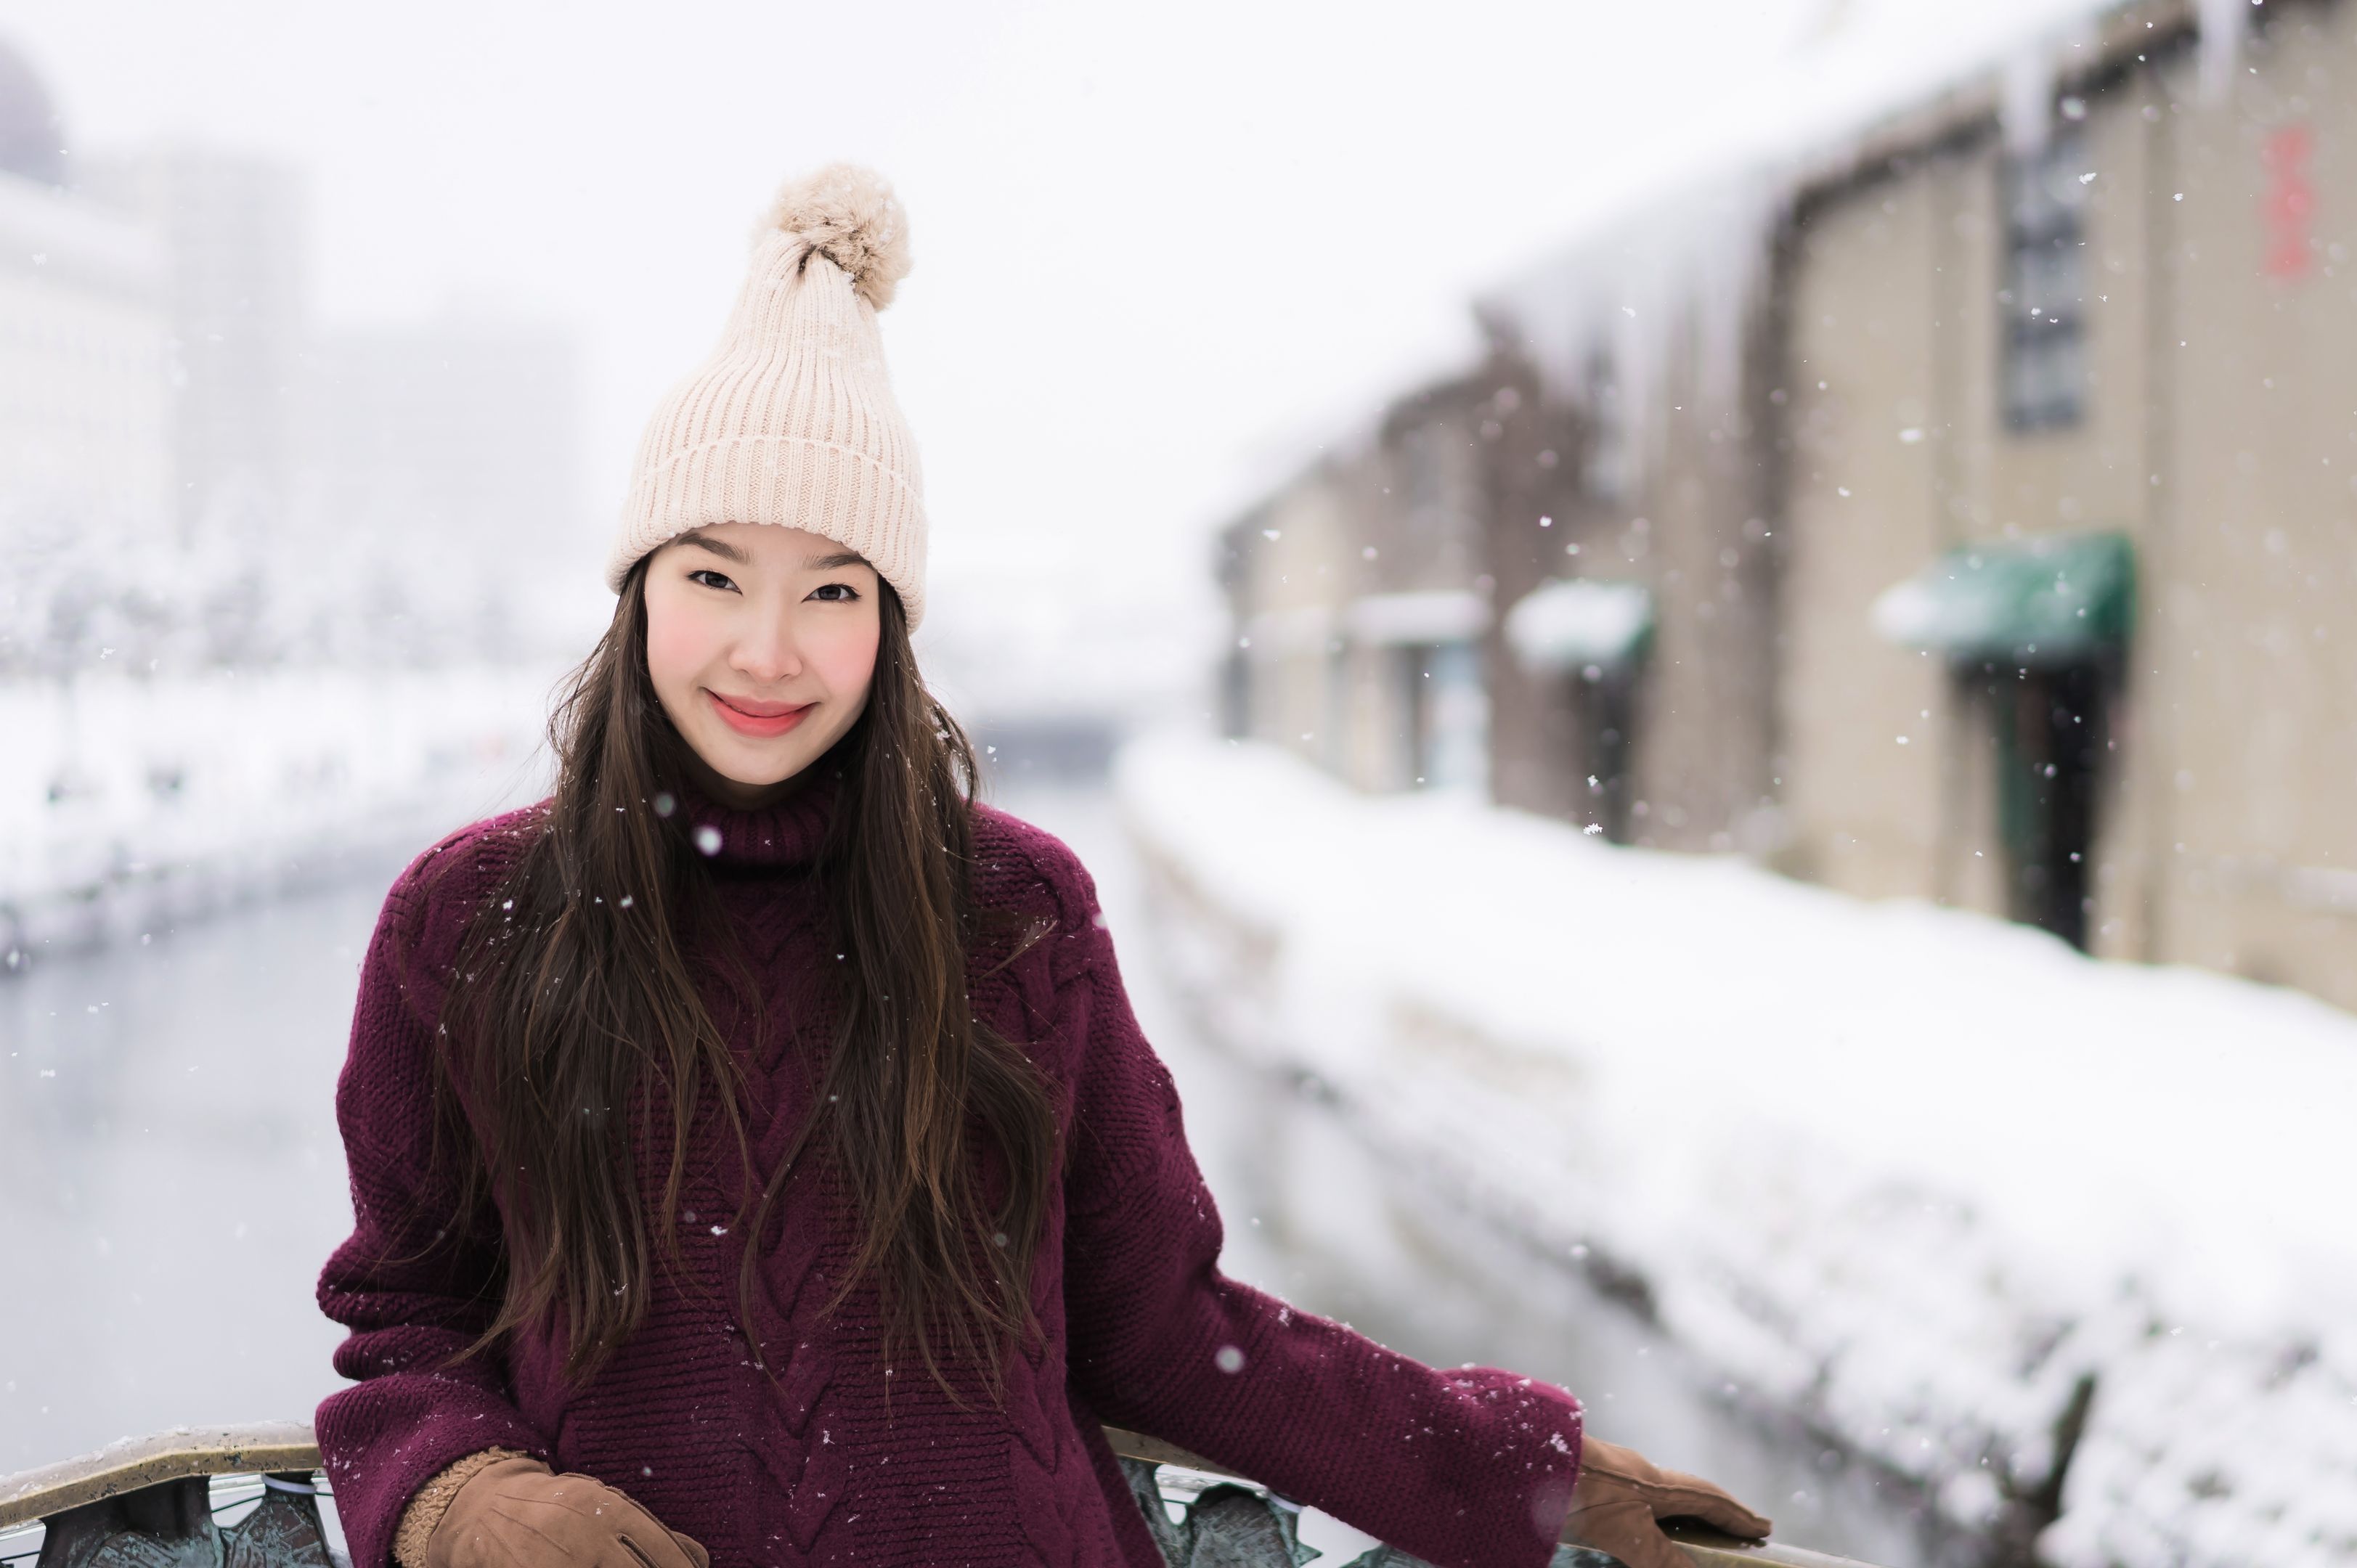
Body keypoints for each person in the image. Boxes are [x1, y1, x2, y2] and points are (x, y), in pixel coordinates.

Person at [312, 165, 1770, 1568]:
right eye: (712, 577)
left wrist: (1511, 1475)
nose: (768, 648)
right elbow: (405, 1313)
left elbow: (1168, 1334)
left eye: (832, 589)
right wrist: (453, 1492)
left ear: (893, 626)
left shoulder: (1016, 917)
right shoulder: (473, 927)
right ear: (637, 597)